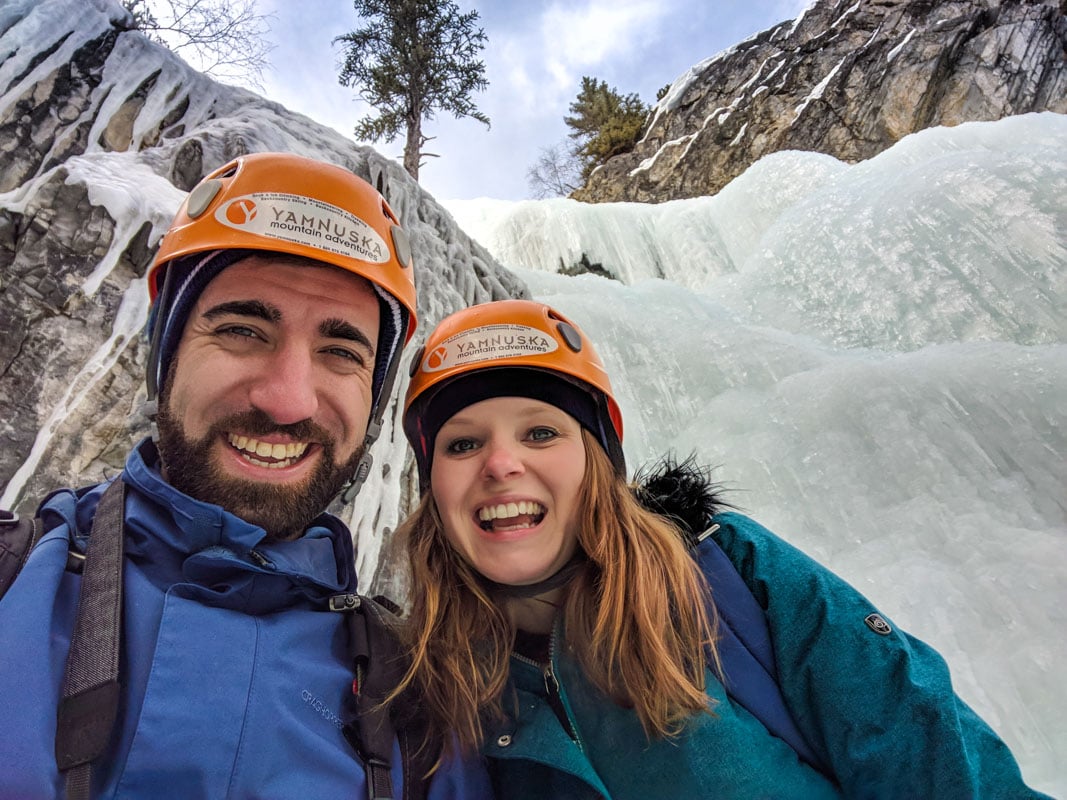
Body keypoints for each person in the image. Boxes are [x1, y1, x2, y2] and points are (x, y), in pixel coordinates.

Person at [393, 298, 1049, 799]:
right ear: (434, 490)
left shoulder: (729, 580)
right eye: (461, 443)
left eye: (540, 432)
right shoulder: (418, 688)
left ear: (600, 467)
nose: (502, 463)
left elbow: (939, 767)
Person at [0, 153, 490, 799]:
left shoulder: (416, 707)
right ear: (164, 356)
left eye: (341, 353)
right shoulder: (11, 580)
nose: (288, 400)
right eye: (241, 330)